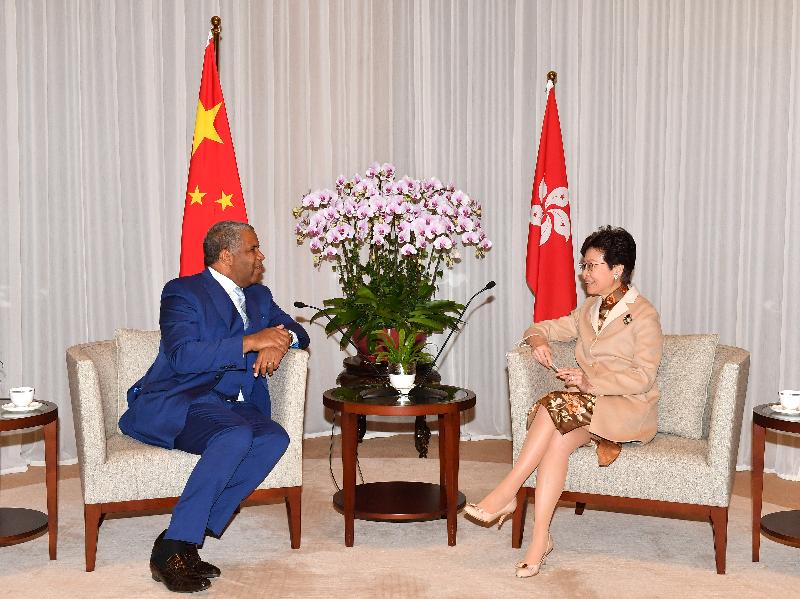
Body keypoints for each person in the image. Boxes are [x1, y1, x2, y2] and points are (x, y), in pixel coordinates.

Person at [119, 221, 310, 593]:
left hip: (231, 405)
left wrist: (277, 343)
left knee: (273, 438)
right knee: (234, 435)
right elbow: (183, 355)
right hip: (179, 399)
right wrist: (252, 340)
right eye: (253, 249)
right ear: (226, 256)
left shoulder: (258, 297)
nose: (261, 256)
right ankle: (173, 549)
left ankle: (185, 536)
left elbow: (298, 331)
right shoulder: (183, 292)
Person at [463, 226, 663, 578]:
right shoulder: (587, 310)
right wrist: (538, 339)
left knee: (554, 402)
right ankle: (540, 540)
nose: (583, 274)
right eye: (582, 266)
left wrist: (590, 381)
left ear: (617, 270)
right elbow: (542, 327)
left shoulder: (644, 315)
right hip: (586, 409)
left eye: (591, 266)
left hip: (626, 408)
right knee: (555, 444)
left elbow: (643, 376)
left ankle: (509, 490)